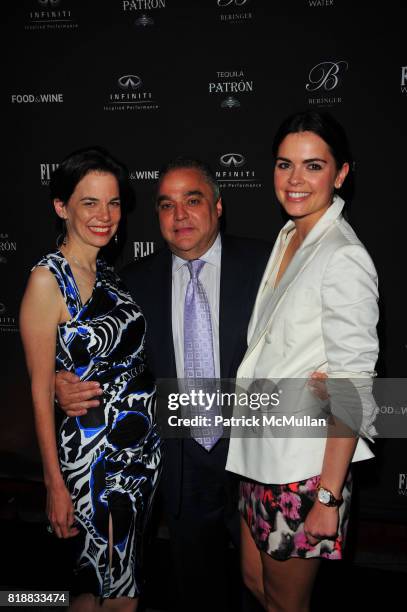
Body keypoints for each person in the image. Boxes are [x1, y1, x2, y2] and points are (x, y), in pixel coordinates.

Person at [55, 157, 272, 611]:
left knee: (267, 589)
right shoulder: (131, 283)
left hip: (254, 457)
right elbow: (97, 352)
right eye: (166, 205)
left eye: (192, 200)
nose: (180, 216)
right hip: (178, 464)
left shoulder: (267, 265)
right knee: (197, 589)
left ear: (217, 206)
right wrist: (61, 380)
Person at [226, 111, 379, 611]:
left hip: (304, 473)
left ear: (340, 174)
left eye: (313, 166)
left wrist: (328, 498)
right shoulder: (290, 235)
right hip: (260, 457)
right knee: (256, 584)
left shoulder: (344, 257)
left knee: (286, 605)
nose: (295, 180)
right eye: (284, 164)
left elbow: (353, 385)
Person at [19, 147, 161, 612]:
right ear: (61, 207)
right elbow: (41, 392)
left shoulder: (110, 275)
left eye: (114, 203)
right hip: (91, 462)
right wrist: (54, 484)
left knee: (124, 587)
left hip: (137, 456)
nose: (105, 215)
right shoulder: (47, 279)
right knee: (99, 586)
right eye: (89, 202)